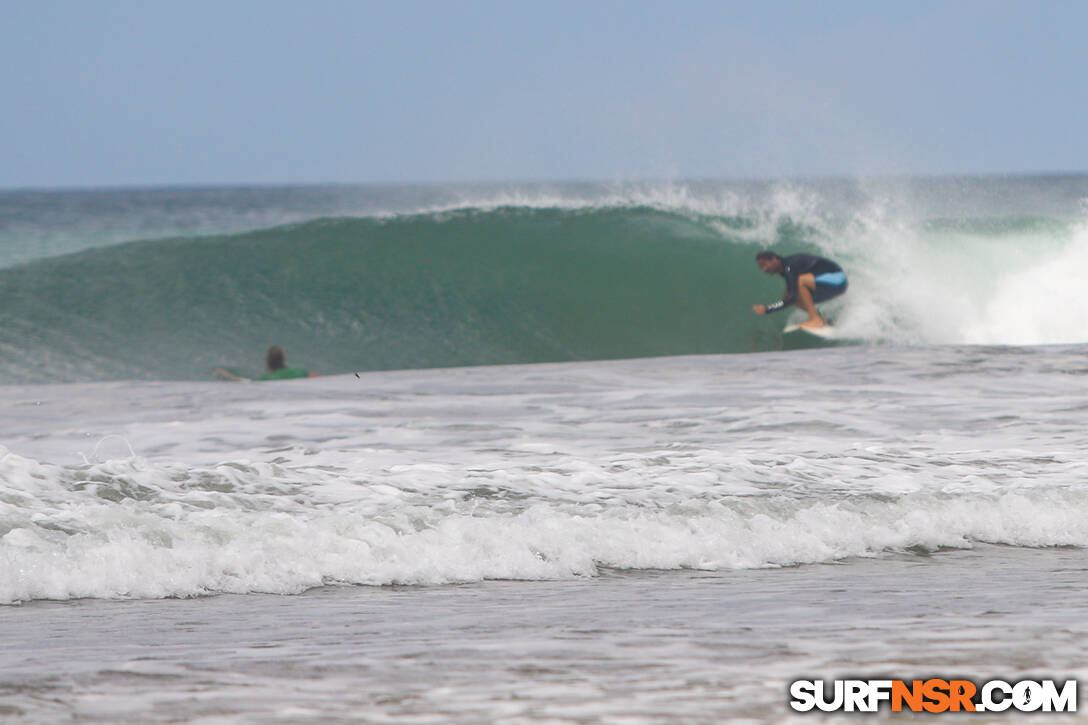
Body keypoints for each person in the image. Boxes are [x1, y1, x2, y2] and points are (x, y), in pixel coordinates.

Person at [752, 251, 848, 329]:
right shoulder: (786, 269)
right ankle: (819, 318)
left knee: (800, 282)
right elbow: (791, 297)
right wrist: (768, 309)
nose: (764, 269)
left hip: (838, 280)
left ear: (774, 259)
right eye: (761, 267)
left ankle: (816, 320)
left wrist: (768, 309)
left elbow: (792, 298)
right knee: (788, 294)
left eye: (765, 264)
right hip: (827, 284)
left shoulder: (790, 266)